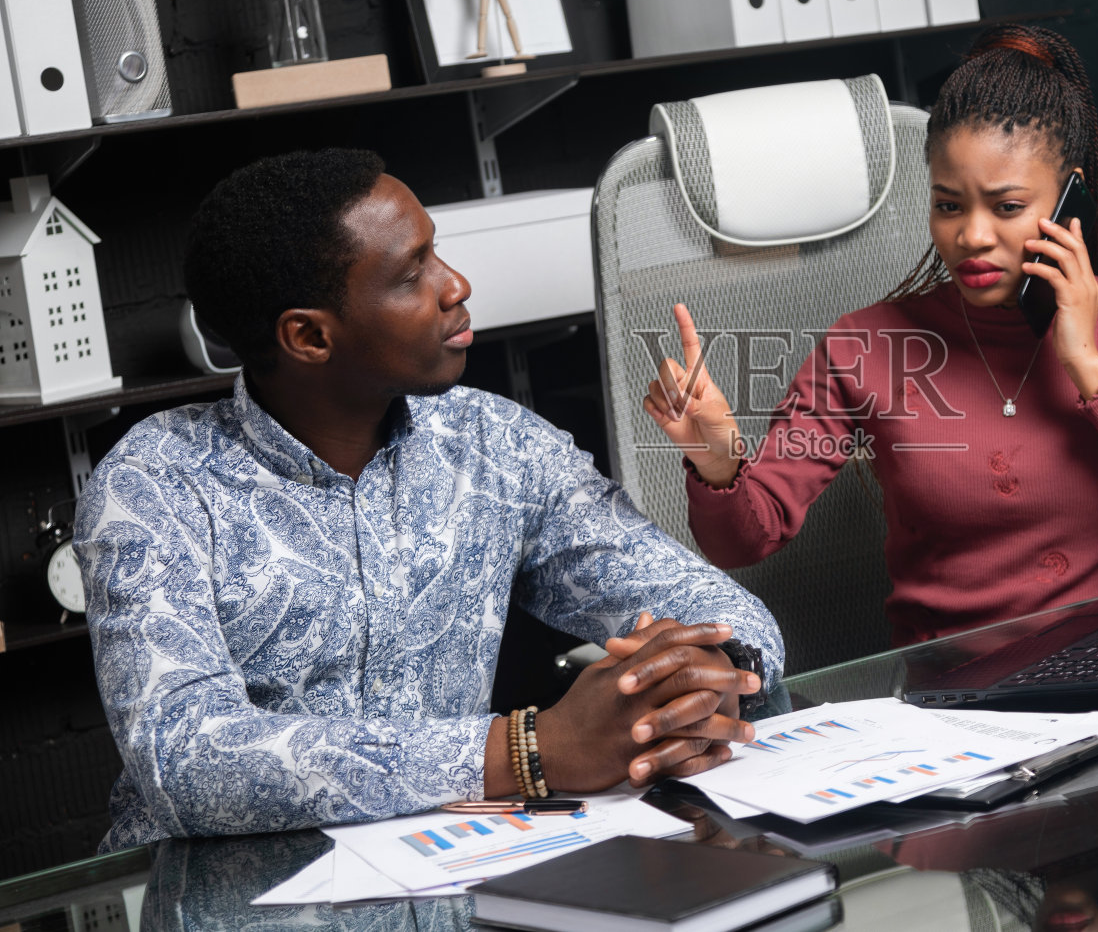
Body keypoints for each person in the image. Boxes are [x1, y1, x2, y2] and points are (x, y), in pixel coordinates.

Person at [78, 149, 784, 851]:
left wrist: (706, 679)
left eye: (436, 254)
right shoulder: (154, 484)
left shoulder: (494, 442)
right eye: (413, 273)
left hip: (446, 872)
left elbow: (721, 611)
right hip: (215, 899)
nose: (456, 285)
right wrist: (529, 748)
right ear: (309, 336)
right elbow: (185, 760)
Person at [646, 24, 1098, 644]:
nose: (973, 236)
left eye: (1007, 207)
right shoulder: (867, 345)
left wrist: (1089, 367)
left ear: (1070, 196)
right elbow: (747, 540)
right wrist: (716, 465)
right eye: (950, 205)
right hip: (949, 704)